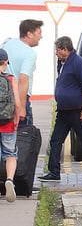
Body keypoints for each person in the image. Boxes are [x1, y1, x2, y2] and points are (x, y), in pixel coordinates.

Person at [39, 36, 82, 182]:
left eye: (57, 50)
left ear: (65, 49)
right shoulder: (62, 63)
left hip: (76, 110)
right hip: (63, 110)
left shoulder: (78, 62)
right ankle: (54, 172)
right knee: (56, 141)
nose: (56, 53)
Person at [1, 19, 43, 128]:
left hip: (3, 97)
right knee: (24, 134)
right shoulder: (29, 53)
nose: (41, 37)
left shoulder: (7, 43)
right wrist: (22, 108)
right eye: (39, 33)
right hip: (18, 98)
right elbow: (23, 79)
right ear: (29, 34)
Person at [0, 49, 20, 202]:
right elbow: (17, 103)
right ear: (6, 62)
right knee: (10, 154)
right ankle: (9, 180)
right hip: (8, 122)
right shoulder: (11, 79)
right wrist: (16, 119)